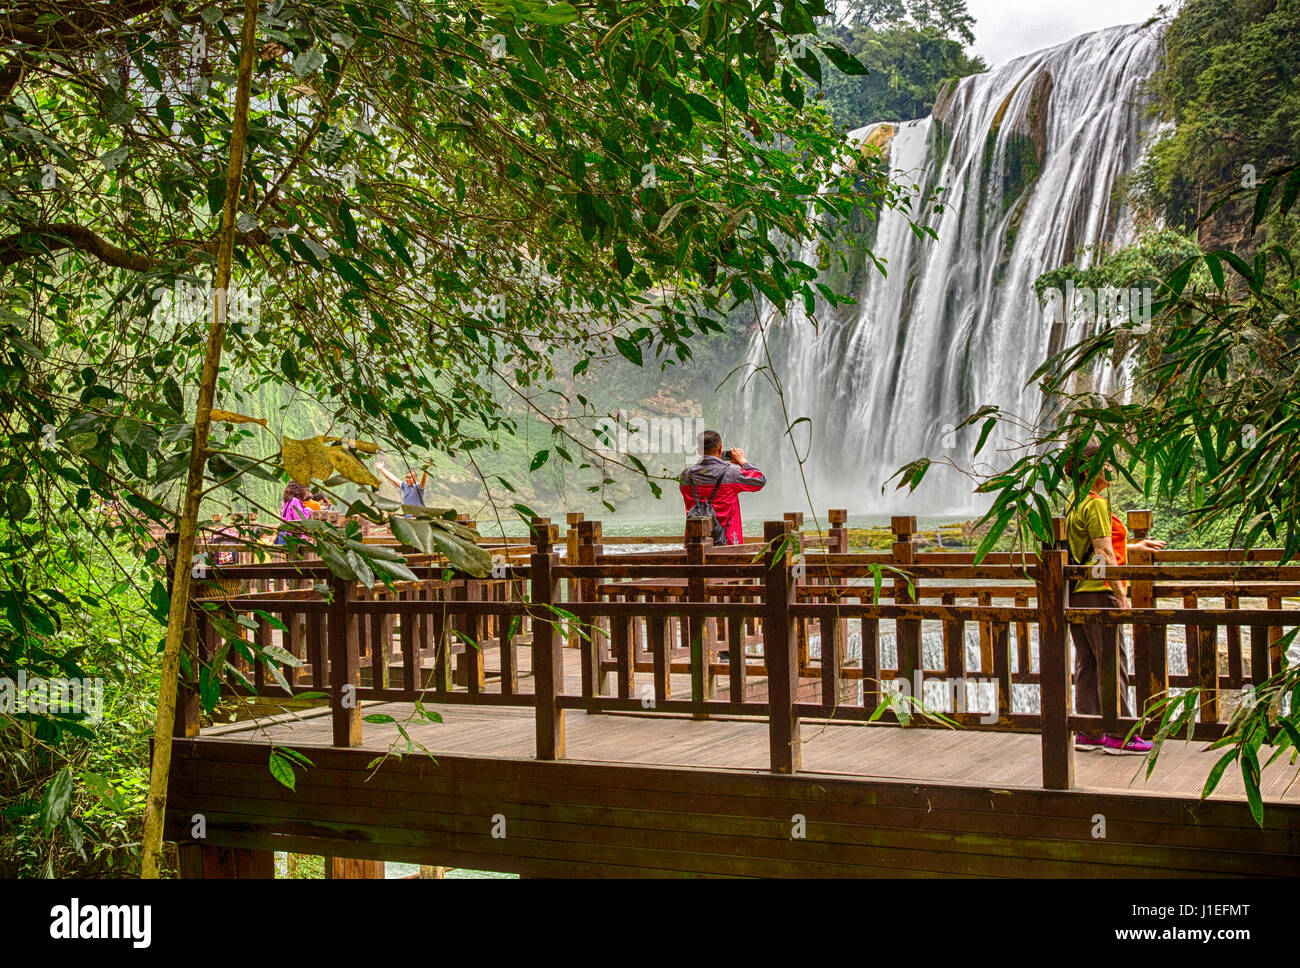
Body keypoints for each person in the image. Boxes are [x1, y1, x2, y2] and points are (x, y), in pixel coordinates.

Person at [1064, 441, 1166, 754]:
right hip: (1099, 592)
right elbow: (1103, 553)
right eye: (1106, 464)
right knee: (1112, 662)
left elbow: (1090, 545)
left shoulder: (1075, 500)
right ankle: (1119, 733)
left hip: (1077, 595)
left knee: (1088, 663)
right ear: (1090, 469)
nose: (1111, 469)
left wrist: (1133, 548)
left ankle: (1089, 731)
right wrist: (1121, 595)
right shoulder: (1095, 503)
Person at [678, 430, 766, 547]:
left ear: (699, 451)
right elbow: (759, 480)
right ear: (720, 449)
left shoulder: (686, 476)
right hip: (728, 545)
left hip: (694, 546)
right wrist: (742, 461)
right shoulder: (731, 473)